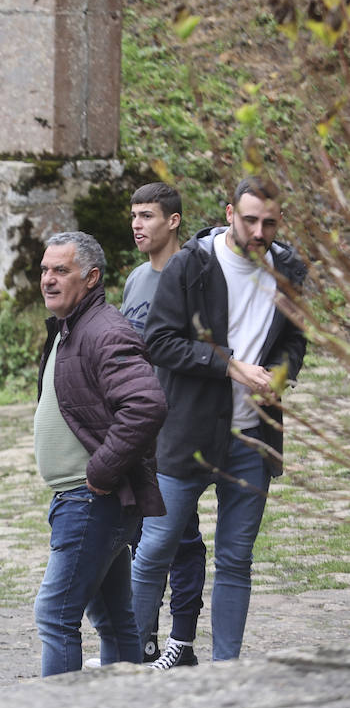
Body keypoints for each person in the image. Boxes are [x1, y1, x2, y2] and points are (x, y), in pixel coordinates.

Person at [133, 176, 307, 662]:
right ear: (229, 213)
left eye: (268, 223)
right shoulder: (192, 264)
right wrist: (228, 364)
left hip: (252, 438)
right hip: (187, 433)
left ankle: (225, 673)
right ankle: (122, 660)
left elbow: (295, 340)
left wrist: (280, 372)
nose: (258, 231)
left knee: (236, 560)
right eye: (249, 219)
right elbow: (159, 341)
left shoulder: (288, 268)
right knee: (153, 551)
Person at [33, 231, 167, 676]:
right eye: (45, 270)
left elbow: (146, 404)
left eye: (61, 271)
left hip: (91, 500)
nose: (48, 280)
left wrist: (102, 470)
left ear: (91, 277)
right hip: (82, 500)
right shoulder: (72, 326)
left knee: (55, 616)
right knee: (113, 620)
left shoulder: (104, 330)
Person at [121, 183, 207, 669]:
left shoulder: (196, 279)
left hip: (179, 424)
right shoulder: (135, 280)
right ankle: (145, 641)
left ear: (173, 221)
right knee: (139, 533)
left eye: (148, 215)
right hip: (138, 424)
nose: (137, 224)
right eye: (134, 215)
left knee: (181, 535)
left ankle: (184, 641)